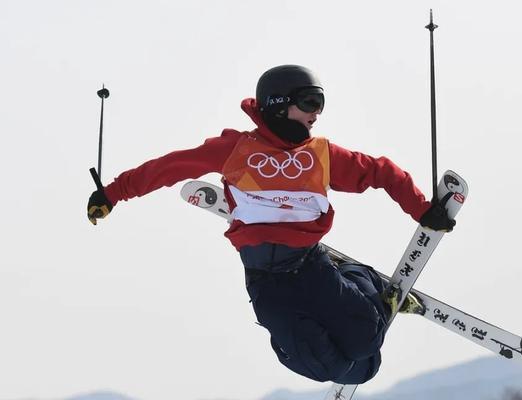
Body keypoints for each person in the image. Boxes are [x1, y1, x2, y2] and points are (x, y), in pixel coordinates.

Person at [87, 65, 455, 384]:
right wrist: (112, 194)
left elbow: (379, 171)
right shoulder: (236, 150)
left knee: (367, 344)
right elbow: (168, 167)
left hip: (311, 267)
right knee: (346, 366)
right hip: (267, 281)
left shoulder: (321, 155)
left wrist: (422, 209)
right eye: (310, 102)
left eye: (320, 104)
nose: (317, 114)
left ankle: (363, 281)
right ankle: (359, 309)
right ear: (279, 104)